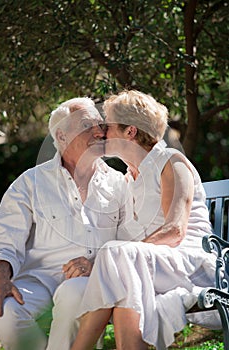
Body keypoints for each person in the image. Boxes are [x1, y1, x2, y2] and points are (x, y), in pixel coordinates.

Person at [70, 90, 220, 350]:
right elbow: (123, 247)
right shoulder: (128, 180)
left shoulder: (172, 163)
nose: (101, 131)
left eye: (108, 125)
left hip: (188, 264)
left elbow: (174, 231)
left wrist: (114, 256)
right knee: (125, 279)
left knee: (122, 264)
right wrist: (95, 261)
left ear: (130, 132)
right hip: (144, 266)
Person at [0, 96, 144, 350]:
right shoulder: (30, 183)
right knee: (3, 314)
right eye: (88, 126)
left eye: (101, 125)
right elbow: (6, 238)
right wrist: (0, 276)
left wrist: (97, 264)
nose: (100, 132)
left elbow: (129, 241)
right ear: (62, 137)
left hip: (90, 280)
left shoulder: (119, 184)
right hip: (37, 282)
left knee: (75, 295)